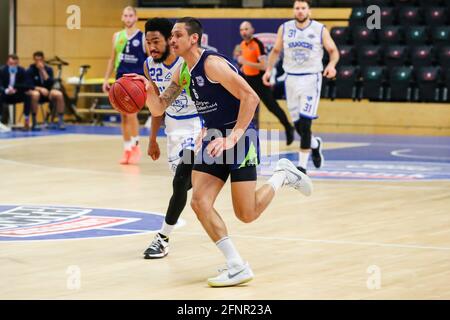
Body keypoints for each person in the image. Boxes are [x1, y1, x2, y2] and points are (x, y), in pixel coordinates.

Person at [128, 17, 313, 287]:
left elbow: (251, 97)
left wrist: (234, 136)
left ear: (194, 39)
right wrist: (143, 89)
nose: (172, 40)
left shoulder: (212, 64)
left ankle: (282, 175)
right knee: (199, 201)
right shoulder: (184, 71)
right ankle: (236, 265)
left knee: (246, 214)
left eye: (177, 35)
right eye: (171, 36)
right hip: (212, 139)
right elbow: (159, 108)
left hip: (239, 137)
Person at [141, 18, 202, 259]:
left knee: (180, 181)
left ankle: (163, 238)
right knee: (183, 183)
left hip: (197, 124)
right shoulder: (148, 66)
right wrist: (152, 138)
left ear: (170, 40)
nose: (151, 47)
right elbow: (156, 105)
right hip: (173, 128)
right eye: (148, 42)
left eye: (156, 41)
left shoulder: (189, 61)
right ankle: (202, 175)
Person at [263, 0, 339, 174]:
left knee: (305, 124)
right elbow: (275, 51)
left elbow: (333, 51)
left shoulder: (320, 29)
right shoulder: (285, 28)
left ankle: (302, 166)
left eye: (303, 8)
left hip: (311, 79)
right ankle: (315, 144)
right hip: (291, 79)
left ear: (309, 11)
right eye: (297, 8)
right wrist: (269, 70)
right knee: (298, 125)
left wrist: (332, 65)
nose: (300, 11)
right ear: (293, 10)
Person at [102, 6, 147, 165]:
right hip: (120, 80)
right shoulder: (117, 36)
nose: (128, 18)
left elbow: (149, 61)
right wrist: (106, 79)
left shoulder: (142, 38)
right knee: (123, 115)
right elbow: (112, 59)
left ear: (136, 18)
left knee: (131, 114)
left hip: (135, 82)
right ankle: (127, 149)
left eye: (130, 16)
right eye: (125, 15)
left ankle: (136, 147)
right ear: (122, 17)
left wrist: (147, 80)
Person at [238, 21, 294, 145]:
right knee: (248, 108)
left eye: (246, 29)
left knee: (272, 106)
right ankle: (250, 136)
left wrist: (246, 63)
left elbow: (263, 66)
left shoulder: (257, 44)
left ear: (252, 30)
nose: (244, 32)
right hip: (248, 80)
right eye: (242, 29)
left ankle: (288, 127)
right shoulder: (242, 45)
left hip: (259, 80)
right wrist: (243, 67)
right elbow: (246, 63)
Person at [27, 51, 65, 130]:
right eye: (36, 60)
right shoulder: (30, 70)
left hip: (48, 93)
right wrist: (40, 89)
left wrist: (43, 71)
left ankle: (60, 121)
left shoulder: (48, 69)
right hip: (37, 93)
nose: (38, 62)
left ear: (43, 59)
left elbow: (51, 83)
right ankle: (34, 121)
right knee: (35, 94)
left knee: (59, 94)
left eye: (40, 60)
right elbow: (29, 85)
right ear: (34, 60)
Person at [0, 54, 35, 130]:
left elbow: (27, 84)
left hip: (17, 94)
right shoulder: (2, 70)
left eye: (15, 64)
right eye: (11, 64)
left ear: (18, 63)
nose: (13, 66)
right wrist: (6, 90)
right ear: (7, 63)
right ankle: (0, 121)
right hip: (5, 94)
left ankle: (26, 120)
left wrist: (18, 89)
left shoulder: (22, 71)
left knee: (27, 96)